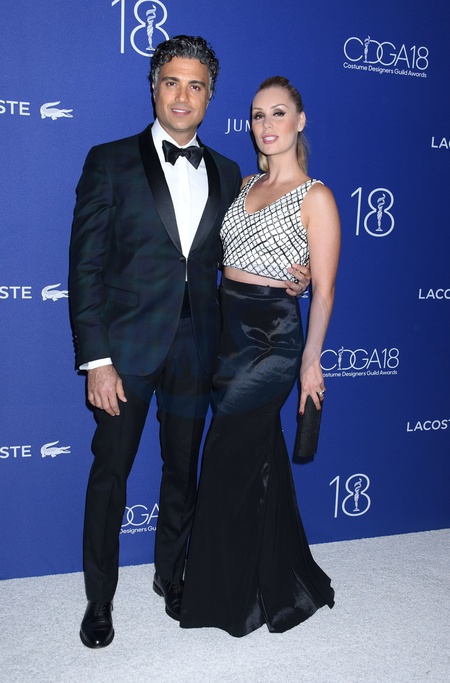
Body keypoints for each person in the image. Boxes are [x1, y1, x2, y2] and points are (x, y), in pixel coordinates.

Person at [69, 39, 309, 649]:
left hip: (200, 348)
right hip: (124, 352)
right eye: (172, 82)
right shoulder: (109, 161)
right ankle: (100, 599)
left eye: (196, 85)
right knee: (111, 474)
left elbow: (251, 248)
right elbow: (85, 268)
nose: (183, 96)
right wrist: (97, 360)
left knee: (183, 471)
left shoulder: (229, 173)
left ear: (209, 96)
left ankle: (172, 576)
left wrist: (295, 275)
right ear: (154, 87)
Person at [180, 76, 341, 637]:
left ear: (300, 120)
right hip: (229, 334)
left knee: (226, 453)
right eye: (257, 115)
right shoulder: (245, 184)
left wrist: (311, 361)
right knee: (258, 456)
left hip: (274, 339)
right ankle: (281, 581)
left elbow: (323, 290)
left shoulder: (316, 196)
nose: (266, 125)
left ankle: (227, 598)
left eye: (278, 113)